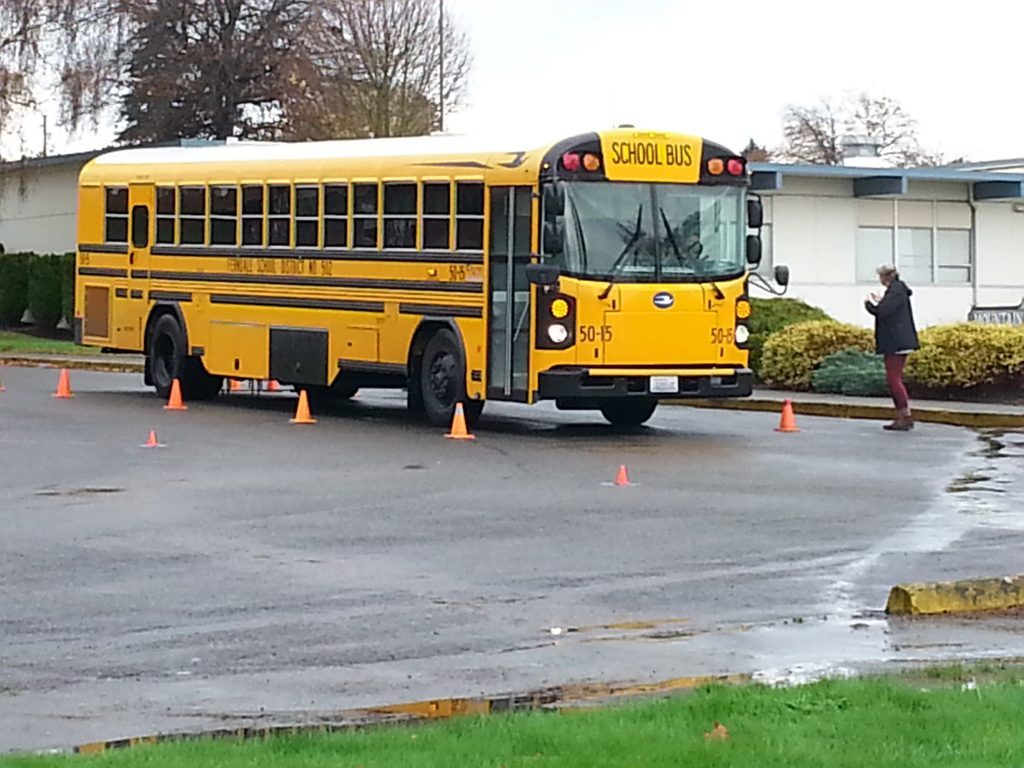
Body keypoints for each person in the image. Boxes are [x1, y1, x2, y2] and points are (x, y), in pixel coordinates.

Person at [865, 264, 919, 431]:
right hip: (899, 341)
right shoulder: (897, 291)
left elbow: (882, 312)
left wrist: (868, 305)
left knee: (893, 380)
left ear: (885, 277)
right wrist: (881, 302)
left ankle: (905, 415)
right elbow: (889, 308)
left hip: (896, 342)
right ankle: (903, 415)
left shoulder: (895, 291)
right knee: (894, 379)